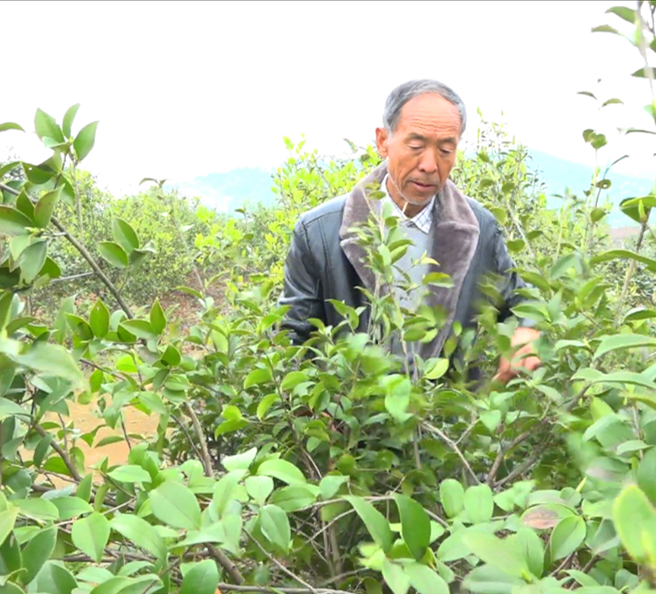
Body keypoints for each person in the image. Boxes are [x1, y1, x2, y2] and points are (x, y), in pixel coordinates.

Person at [278, 79, 540, 384]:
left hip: (447, 423)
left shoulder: (479, 228)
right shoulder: (319, 232)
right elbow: (292, 338)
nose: (429, 164)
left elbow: (521, 299)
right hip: (350, 419)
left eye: (445, 149)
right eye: (415, 146)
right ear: (382, 141)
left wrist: (527, 327)